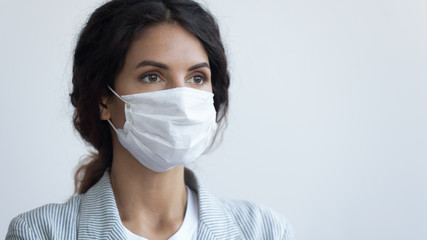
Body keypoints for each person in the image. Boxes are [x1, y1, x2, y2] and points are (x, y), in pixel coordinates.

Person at [6, 0, 294, 239]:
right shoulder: (40, 232)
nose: (181, 98)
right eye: (152, 76)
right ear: (103, 99)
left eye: (197, 77)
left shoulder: (265, 231)